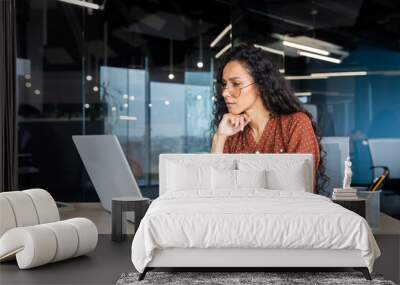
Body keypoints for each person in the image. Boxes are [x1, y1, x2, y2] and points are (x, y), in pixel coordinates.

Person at [210, 44, 327, 193]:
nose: (225, 93)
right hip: (239, 214)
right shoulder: (231, 133)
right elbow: (216, 190)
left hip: (286, 214)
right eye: (224, 84)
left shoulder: (295, 124)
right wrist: (219, 137)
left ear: (260, 85)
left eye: (236, 84)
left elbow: (302, 189)